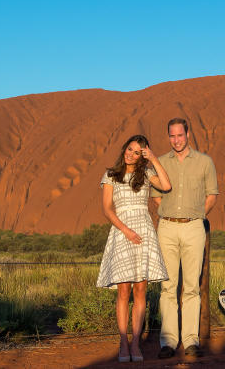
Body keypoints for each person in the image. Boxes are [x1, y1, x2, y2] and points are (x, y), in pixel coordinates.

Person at [96, 134, 172, 363]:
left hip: (144, 231)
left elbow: (166, 185)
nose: (131, 154)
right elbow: (107, 209)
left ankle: (136, 343)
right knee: (123, 291)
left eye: (137, 152)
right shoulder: (110, 175)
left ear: (142, 155)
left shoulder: (146, 173)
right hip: (122, 232)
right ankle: (122, 342)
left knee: (141, 291)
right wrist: (125, 230)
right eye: (130, 149)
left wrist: (154, 159)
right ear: (124, 149)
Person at [151, 118, 219, 359]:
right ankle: (168, 341)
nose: (176, 140)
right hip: (167, 227)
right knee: (168, 286)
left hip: (193, 227)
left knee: (191, 286)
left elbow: (212, 194)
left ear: (188, 134)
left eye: (180, 135)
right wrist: (171, 216)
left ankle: (191, 340)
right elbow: (156, 197)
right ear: (168, 136)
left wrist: (197, 216)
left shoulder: (204, 162)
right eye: (172, 136)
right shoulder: (160, 162)